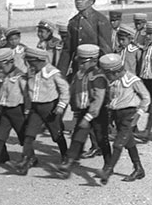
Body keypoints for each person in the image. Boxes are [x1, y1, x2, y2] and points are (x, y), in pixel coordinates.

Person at [48, 45, 112, 183]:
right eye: (79, 61)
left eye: (84, 62)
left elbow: (99, 99)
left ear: (94, 61)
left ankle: (108, 165)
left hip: (98, 112)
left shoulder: (98, 76)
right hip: (83, 110)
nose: (80, 64)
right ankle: (68, 163)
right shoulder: (78, 75)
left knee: (102, 139)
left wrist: (89, 116)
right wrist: (75, 110)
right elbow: (74, 92)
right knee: (78, 136)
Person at [7, 47, 70, 175]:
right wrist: (27, 107)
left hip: (50, 109)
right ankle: (27, 159)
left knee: (56, 134)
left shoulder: (53, 73)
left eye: (31, 62)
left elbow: (65, 89)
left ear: (40, 60)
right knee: (29, 134)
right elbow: (27, 91)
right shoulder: (31, 72)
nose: (29, 64)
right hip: (35, 108)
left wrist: (61, 105)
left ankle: (65, 156)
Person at [99, 53, 150, 182]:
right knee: (129, 142)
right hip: (117, 114)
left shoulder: (133, 80)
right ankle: (138, 169)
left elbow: (146, 97)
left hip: (129, 114)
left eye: (108, 74)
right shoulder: (112, 81)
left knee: (118, 144)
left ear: (115, 72)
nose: (107, 77)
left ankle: (109, 169)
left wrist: (139, 114)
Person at [58, 0, 115, 76]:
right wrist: (61, 74)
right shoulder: (73, 22)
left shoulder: (100, 20)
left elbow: (106, 49)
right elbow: (67, 51)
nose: (78, 2)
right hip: (78, 70)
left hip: (95, 70)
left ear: (91, 1)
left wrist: (106, 72)